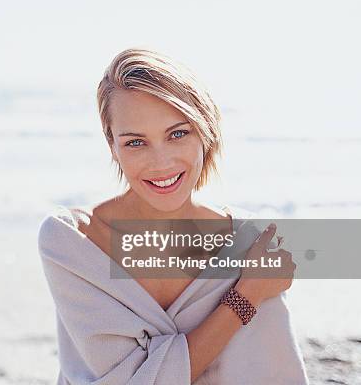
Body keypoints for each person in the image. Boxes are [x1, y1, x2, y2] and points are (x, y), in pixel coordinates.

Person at [37, 48, 309, 384]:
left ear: (204, 131)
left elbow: (275, 373)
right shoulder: (73, 241)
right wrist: (247, 296)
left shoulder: (250, 245)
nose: (161, 162)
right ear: (112, 145)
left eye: (177, 134)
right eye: (136, 142)